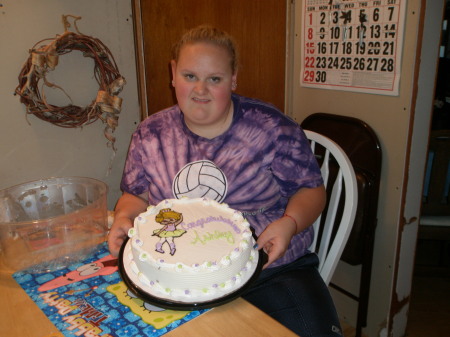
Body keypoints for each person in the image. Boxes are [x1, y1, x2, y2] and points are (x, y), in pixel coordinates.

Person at [108, 25, 342, 337]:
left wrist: (291, 222)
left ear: (233, 79)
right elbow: (135, 196)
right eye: (190, 76)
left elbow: (310, 190)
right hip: (176, 278)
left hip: (270, 268)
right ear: (173, 73)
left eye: (214, 79)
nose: (200, 89)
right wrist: (124, 216)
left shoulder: (273, 129)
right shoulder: (150, 134)